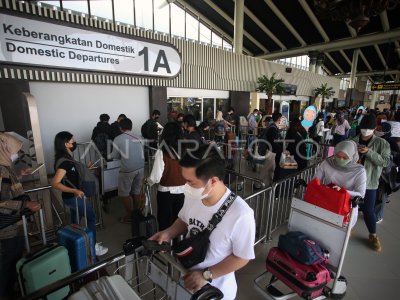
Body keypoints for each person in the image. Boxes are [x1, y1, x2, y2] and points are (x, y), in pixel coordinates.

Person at [149, 145, 255, 299]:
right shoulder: (195, 196)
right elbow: (185, 219)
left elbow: (242, 257)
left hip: (215, 291)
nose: (185, 186)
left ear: (213, 181)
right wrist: (168, 233)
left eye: (190, 182)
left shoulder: (240, 214)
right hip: (186, 278)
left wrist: (206, 274)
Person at [52, 131, 108, 256]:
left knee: (75, 222)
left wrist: (86, 169)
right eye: (72, 140)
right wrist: (75, 191)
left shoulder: (66, 159)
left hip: (71, 198)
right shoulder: (64, 162)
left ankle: (75, 245)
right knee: (91, 217)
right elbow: (55, 183)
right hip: (74, 197)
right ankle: (92, 247)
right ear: (66, 144)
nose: (75, 142)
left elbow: (71, 176)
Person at [0, 133, 41, 300]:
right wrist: (25, 205)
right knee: (6, 263)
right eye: (14, 150)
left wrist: (19, 175)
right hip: (6, 229)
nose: (16, 154)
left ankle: (11, 289)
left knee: (14, 256)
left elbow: (7, 188)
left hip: (14, 225)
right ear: (4, 149)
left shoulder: (5, 165)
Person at [352, 114, 390, 252]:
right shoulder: (353, 141)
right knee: (348, 208)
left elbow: (385, 162)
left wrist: (369, 152)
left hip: (370, 182)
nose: (365, 130)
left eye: (368, 128)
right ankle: (346, 229)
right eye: (363, 128)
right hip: (352, 181)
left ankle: (373, 235)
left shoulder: (382, 143)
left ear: (374, 128)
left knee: (368, 210)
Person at [314, 140, 367, 228]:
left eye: (345, 157)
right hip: (326, 201)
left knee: (339, 234)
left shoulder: (359, 171)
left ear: (352, 156)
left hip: (346, 207)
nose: (341, 159)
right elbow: (316, 181)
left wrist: (343, 191)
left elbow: (361, 194)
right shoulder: (327, 163)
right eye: (338, 156)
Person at [147, 122, 186, 230]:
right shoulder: (186, 150)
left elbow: (156, 177)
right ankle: (179, 244)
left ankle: (166, 245)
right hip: (185, 192)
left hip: (166, 192)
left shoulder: (162, 152)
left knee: (165, 222)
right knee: (180, 221)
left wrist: (148, 181)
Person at [109, 118, 145, 224]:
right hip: (141, 167)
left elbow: (114, 155)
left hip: (128, 170)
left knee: (124, 193)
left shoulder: (118, 139)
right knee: (137, 191)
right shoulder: (139, 137)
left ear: (120, 128)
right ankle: (137, 213)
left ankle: (130, 216)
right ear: (131, 126)